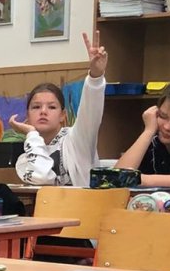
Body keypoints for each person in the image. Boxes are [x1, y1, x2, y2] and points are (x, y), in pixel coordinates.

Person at [14, 33, 109, 186]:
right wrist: (32, 134)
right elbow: (43, 177)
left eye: (52, 107)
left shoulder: (77, 139)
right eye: (36, 107)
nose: (43, 111)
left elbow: (91, 111)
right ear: (28, 116)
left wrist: (95, 77)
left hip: (82, 201)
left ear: (62, 115)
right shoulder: (25, 159)